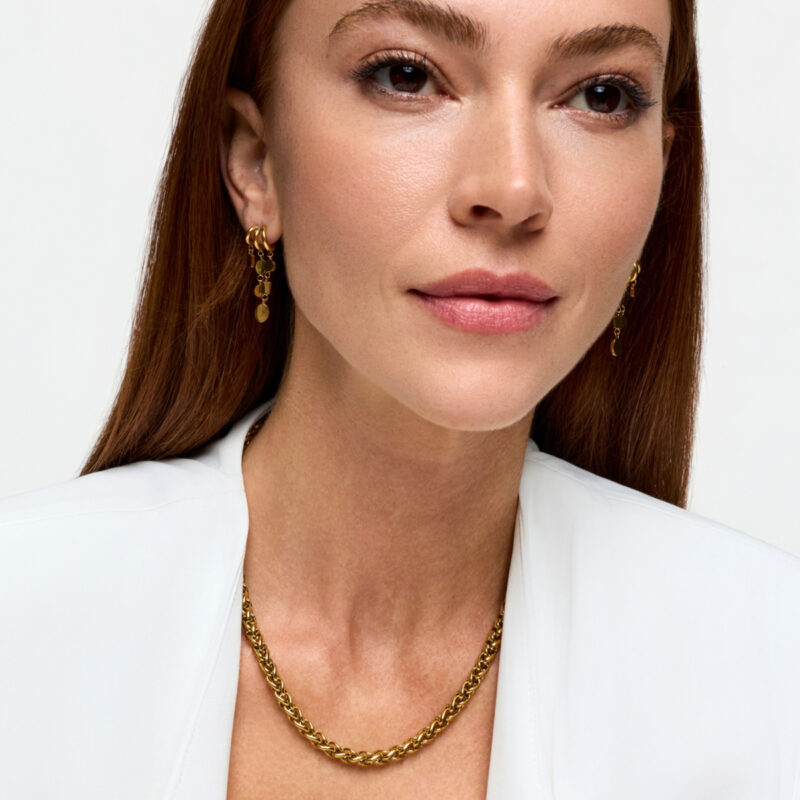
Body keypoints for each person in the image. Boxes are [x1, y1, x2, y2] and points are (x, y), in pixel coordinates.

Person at [1, 0, 798, 798]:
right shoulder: (23, 617)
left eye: (601, 96)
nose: (513, 189)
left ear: (661, 173)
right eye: (407, 77)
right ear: (256, 161)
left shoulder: (770, 672)